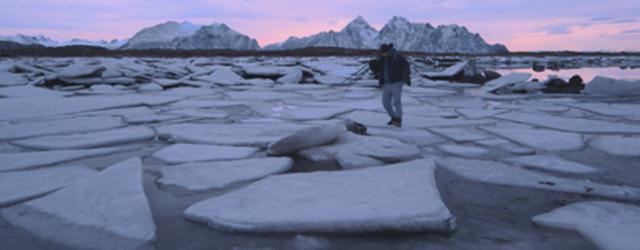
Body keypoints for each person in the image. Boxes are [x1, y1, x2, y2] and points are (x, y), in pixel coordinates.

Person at [369, 43, 411, 127]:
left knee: (396, 102)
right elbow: (377, 70)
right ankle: (394, 118)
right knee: (385, 103)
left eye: (385, 52)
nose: (384, 54)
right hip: (386, 83)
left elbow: (406, 65)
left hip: (397, 82)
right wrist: (372, 65)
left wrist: (407, 76)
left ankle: (398, 120)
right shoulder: (382, 59)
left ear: (388, 50)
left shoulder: (397, 56)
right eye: (382, 52)